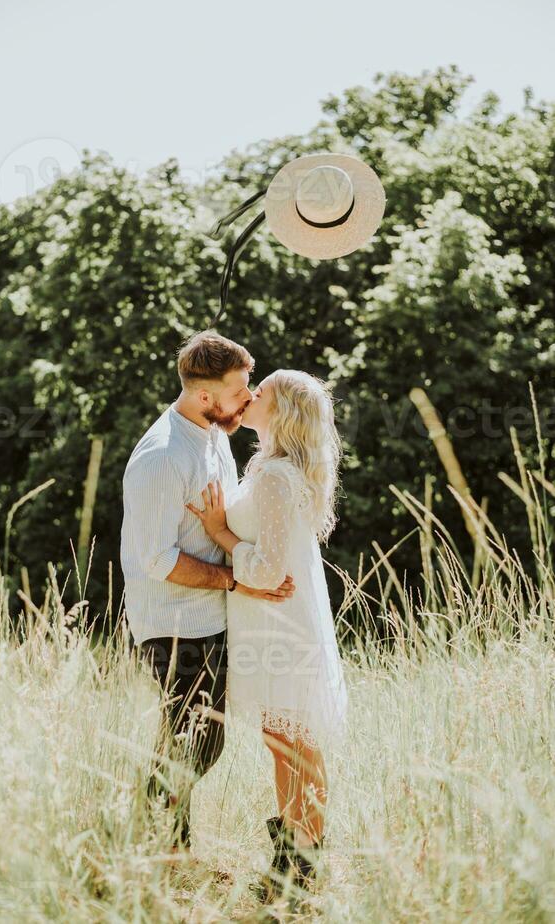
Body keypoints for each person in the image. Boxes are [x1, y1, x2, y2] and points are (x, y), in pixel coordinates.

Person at [119, 330, 296, 858]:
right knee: (198, 744)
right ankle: (153, 848)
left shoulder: (214, 433)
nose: (250, 396)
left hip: (210, 616)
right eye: (240, 389)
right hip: (174, 624)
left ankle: (166, 850)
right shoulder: (160, 456)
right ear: (203, 396)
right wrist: (237, 581)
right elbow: (157, 559)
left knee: (187, 743)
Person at [186, 368, 348, 899]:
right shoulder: (265, 466)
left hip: (282, 623)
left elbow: (269, 571)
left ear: (279, 411)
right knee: (282, 740)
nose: (252, 397)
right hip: (263, 625)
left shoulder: (277, 476)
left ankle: (304, 861)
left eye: (263, 392)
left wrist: (218, 533)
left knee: (295, 742)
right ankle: (294, 853)